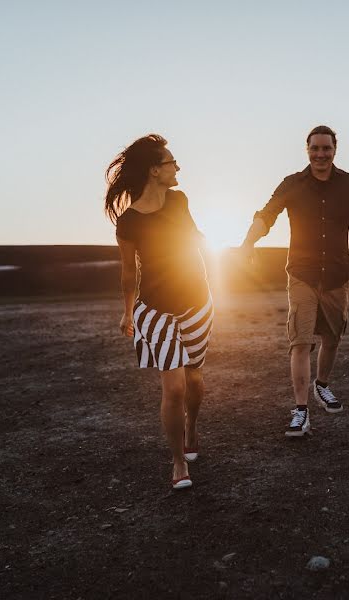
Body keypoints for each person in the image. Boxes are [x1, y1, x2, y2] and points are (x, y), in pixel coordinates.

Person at [239, 125, 349, 437]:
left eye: (326, 148)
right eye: (315, 148)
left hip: (336, 276)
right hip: (301, 274)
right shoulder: (293, 184)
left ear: (334, 150)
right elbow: (266, 215)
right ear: (307, 150)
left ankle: (322, 384)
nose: (320, 154)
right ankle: (300, 411)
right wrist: (248, 243)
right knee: (300, 340)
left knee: (332, 338)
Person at [105, 134, 213, 490]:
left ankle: (192, 430)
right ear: (155, 170)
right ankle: (178, 462)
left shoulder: (179, 201)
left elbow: (196, 237)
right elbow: (127, 272)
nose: (177, 166)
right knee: (175, 388)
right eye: (171, 161)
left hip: (196, 302)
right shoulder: (129, 222)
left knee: (195, 379)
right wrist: (127, 313)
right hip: (154, 310)